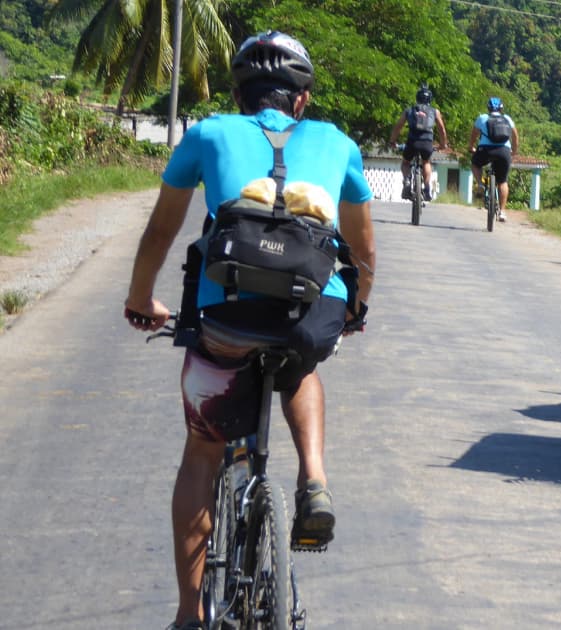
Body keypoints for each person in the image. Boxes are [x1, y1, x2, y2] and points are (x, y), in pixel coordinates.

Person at [122, 31, 376, 630]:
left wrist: (140, 298)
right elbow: (363, 250)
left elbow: (161, 233)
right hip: (310, 314)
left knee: (202, 456)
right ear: (302, 99)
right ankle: (312, 478)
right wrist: (355, 308)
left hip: (226, 317)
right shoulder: (337, 142)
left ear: (239, 94)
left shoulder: (208, 133)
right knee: (301, 364)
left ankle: (190, 615)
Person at [388, 83, 449, 201]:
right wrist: (443, 144)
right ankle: (426, 187)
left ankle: (406, 180)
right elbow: (441, 128)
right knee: (426, 162)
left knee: (406, 162)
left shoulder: (409, 110)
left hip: (412, 142)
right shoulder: (434, 111)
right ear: (430, 99)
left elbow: (398, 126)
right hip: (427, 142)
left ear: (417, 97)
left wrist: (392, 141)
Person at [468, 97, 519, 221]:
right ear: (501, 108)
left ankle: (480, 184)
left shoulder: (482, 118)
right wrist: (514, 151)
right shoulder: (507, 118)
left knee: (475, 164)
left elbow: (474, 135)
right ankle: (502, 212)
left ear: (488, 108)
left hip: (485, 150)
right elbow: (515, 136)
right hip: (504, 151)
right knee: (502, 181)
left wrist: (471, 147)